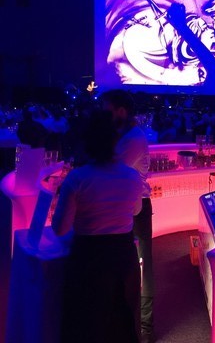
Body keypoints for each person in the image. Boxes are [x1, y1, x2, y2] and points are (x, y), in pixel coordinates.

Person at [52, 110, 143, 343]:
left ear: (86, 143)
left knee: (87, 324)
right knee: (121, 323)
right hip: (124, 256)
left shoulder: (77, 178)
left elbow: (60, 229)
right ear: (115, 143)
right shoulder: (132, 176)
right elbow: (135, 211)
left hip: (89, 259)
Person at [100, 89, 155, 343]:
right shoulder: (127, 135)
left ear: (121, 111)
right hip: (128, 206)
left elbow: (110, 170)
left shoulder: (133, 138)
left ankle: (145, 328)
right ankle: (134, 326)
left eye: (107, 111)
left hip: (136, 208)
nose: (103, 116)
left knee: (141, 267)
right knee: (133, 266)